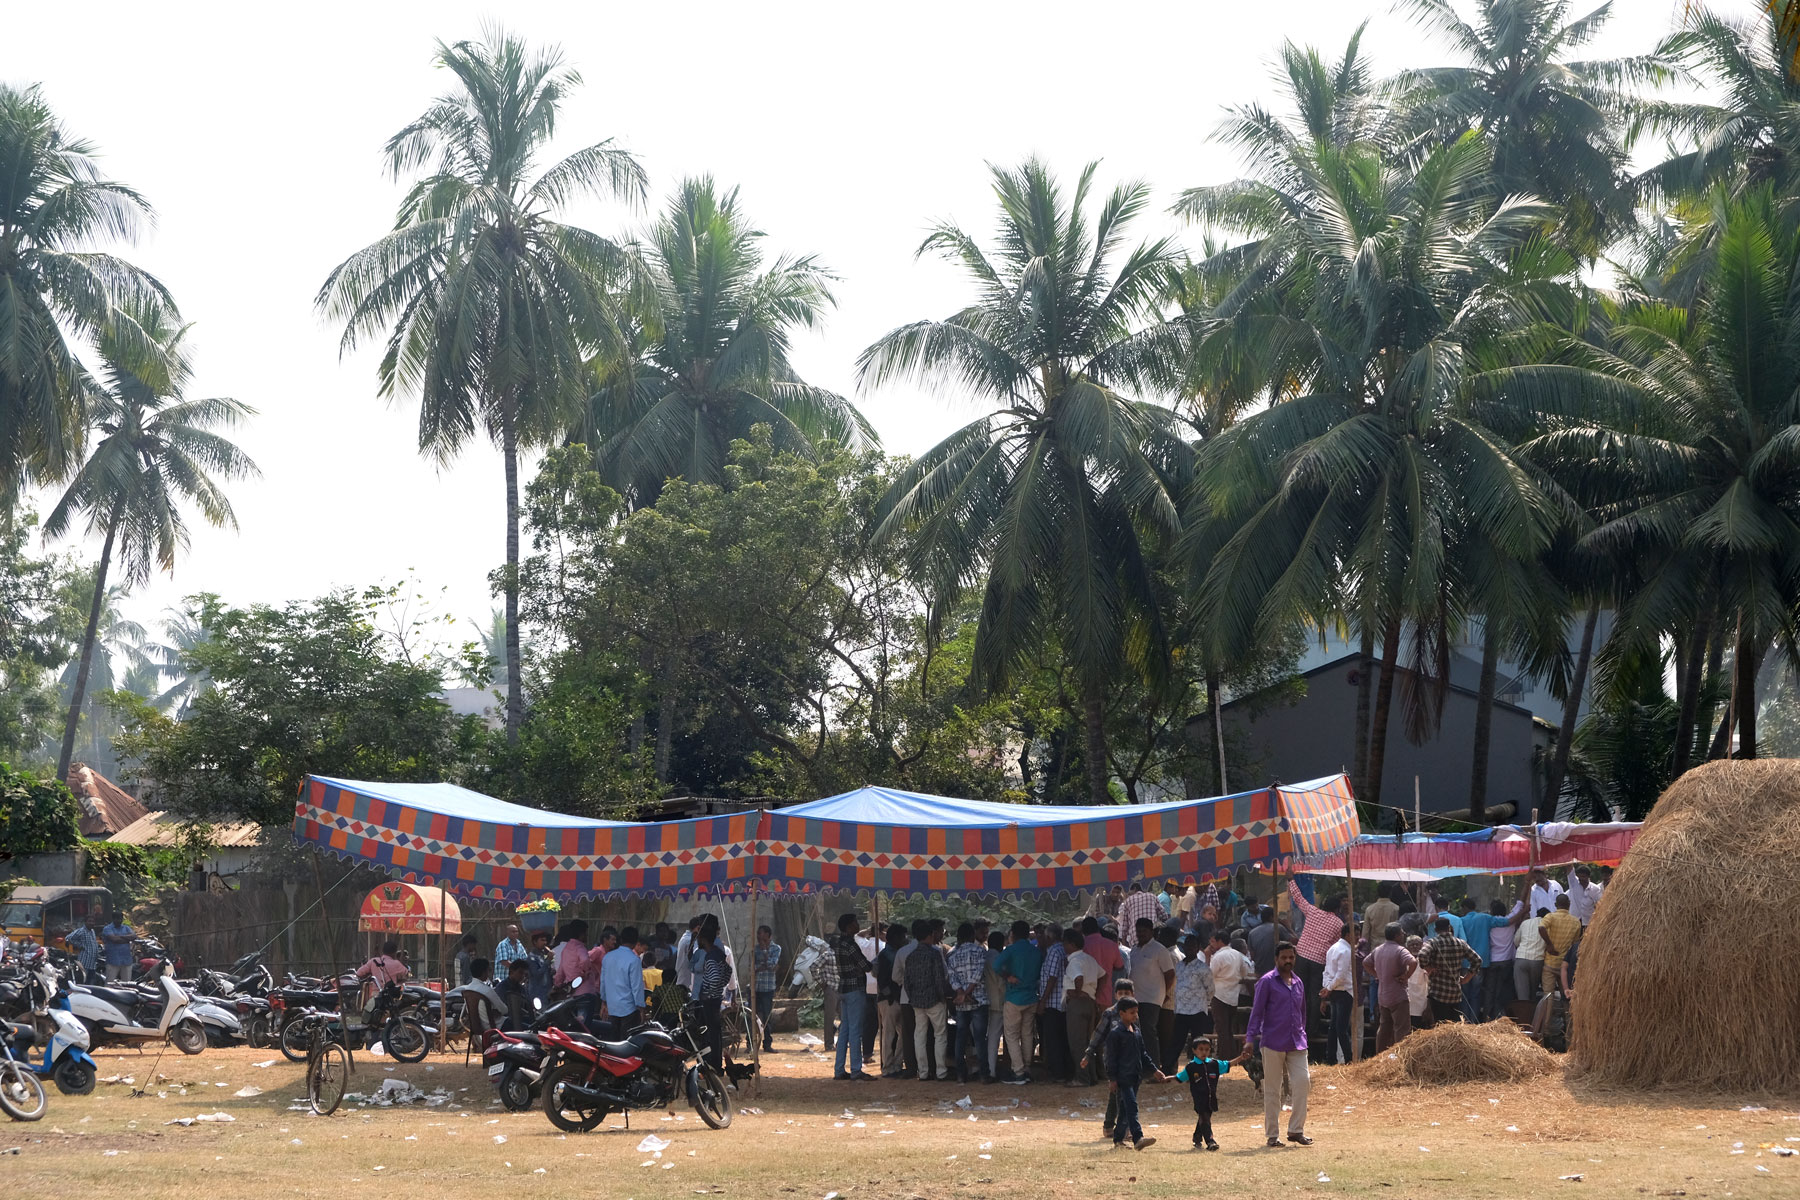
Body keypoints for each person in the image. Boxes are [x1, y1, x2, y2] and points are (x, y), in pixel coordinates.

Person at [1245, 941, 1313, 1148]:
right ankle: (1272, 1135)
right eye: (1284, 958)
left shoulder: (1298, 982)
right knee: (1273, 1089)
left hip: (1297, 1041)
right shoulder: (1266, 982)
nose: (1288, 961)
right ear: (1277, 959)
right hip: (1273, 1041)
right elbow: (1256, 1012)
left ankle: (1296, 1130)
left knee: (1303, 1082)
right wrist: (1250, 1039)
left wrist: (1302, 1031)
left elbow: (1302, 1012)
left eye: (1291, 957)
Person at [1104, 997, 1170, 1150]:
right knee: (1131, 1106)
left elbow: (1143, 1054)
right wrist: (1112, 1079)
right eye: (1132, 1012)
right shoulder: (1116, 1034)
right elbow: (1110, 1059)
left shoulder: (1136, 1032)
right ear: (1122, 1013)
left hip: (1135, 1077)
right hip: (1123, 1078)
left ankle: (1118, 1140)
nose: (1136, 1015)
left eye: (1137, 1012)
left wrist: (1155, 1070)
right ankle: (1138, 1138)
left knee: (1125, 1109)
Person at [1082, 978, 1138, 1137]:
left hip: (1129, 1060)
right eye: (1120, 993)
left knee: (1118, 1094)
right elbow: (1098, 1035)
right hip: (1114, 1060)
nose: (1123, 996)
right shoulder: (1110, 1013)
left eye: (1126, 993)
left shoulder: (1134, 1014)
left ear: (1133, 994)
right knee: (1122, 1094)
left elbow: (1138, 1037)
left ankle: (1108, 1127)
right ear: (1115, 995)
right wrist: (1089, 1053)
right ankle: (1124, 1130)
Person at [994, 920, 1044, 1085]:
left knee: (1012, 1035)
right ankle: (1027, 1068)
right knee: (1027, 1034)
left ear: (1012, 934)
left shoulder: (1011, 950)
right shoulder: (1036, 951)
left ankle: (1018, 1072)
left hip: (1014, 998)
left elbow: (996, 965)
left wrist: (1008, 976)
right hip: (1031, 997)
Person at [827, 913, 874, 1081]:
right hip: (855, 989)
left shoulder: (838, 943)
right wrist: (873, 964)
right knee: (855, 1030)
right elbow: (865, 966)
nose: (857, 925)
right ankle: (856, 1069)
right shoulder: (850, 945)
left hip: (843, 988)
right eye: (855, 923)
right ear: (848, 926)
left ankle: (839, 1069)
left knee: (845, 1029)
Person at [1124, 916, 1175, 1073]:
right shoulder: (1134, 949)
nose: (1141, 934)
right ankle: (1141, 1066)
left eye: (1144, 931)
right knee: (1137, 1033)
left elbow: (1170, 974)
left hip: (1152, 998)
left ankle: (1153, 1069)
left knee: (1148, 1032)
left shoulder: (1159, 950)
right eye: (1138, 931)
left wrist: (1164, 993)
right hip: (1135, 999)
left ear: (1151, 931)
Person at [905, 921, 953, 1082]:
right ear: (931, 935)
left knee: (919, 1036)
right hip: (934, 1000)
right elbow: (940, 978)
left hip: (917, 1001)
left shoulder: (911, 956)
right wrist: (942, 997)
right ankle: (941, 1071)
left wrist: (912, 997)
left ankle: (923, 1072)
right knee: (940, 1035)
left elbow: (907, 981)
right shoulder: (935, 953)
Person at [944, 922, 989, 1084]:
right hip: (979, 1000)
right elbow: (978, 975)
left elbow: (952, 977)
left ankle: (961, 1075)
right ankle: (984, 1075)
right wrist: (968, 993)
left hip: (961, 1002)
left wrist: (961, 994)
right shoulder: (980, 951)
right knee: (979, 1038)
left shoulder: (952, 954)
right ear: (972, 935)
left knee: (960, 1037)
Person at [1178, 1034, 1239, 1151]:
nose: (1204, 1052)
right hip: (1199, 1098)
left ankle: (1197, 1137)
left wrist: (1241, 1058)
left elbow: (1228, 1064)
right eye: (1200, 1049)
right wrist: (1165, 1078)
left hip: (1211, 1098)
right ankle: (1210, 1142)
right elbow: (1179, 1077)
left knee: (1204, 1118)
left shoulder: (1214, 1064)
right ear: (1194, 1050)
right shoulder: (1191, 1067)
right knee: (1205, 1118)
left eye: (1206, 1049)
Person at [1418, 917, 1480, 1026]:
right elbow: (1477, 960)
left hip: (1438, 993)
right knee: (1453, 1027)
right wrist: (1467, 978)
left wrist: (1428, 968)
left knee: (1440, 1026)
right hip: (1455, 994)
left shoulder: (1432, 943)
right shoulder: (1460, 943)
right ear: (1449, 928)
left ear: (1436, 930)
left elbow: (1422, 955)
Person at [1061, 928, 1102, 1086]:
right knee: (1088, 1042)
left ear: (1071, 944)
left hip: (1077, 1004)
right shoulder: (1090, 959)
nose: (1064, 946)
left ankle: (1082, 1078)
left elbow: (1078, 977)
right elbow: (1102, 974)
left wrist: (1078, 993)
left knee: (1077, 1043)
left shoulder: (1074, 961)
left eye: (1065, 943)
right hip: (1090, 1002)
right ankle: (1091, 1076)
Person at [689, 917, 730, 1071]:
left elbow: (713, 976)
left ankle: (710, 1063)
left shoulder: (709, 957)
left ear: (703, 939)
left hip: (709, 999)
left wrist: (710, 992)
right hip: (715, 997)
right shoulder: (717, 953)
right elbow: (727, 971)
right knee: (714, 1031)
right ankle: (715, 1063)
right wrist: (720, 988)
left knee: (708, 1032)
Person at [1170, 934, 1214, 1073]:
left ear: (1197, 948)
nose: (1189, 949)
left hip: (1197, 1010)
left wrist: (1203, 1003)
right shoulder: (1179, 966)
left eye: (1192, 946)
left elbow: (1210, 989)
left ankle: (1198, 1070)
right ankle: (1167, 1069)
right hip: (1181, 1009)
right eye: (1187, 946)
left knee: (1198, 1042)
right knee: (1177, 1041)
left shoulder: (1203, 969)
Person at [1206, 932, 1252, 1061]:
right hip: (1233, 995)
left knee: (1222, 1029)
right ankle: (1231, 1055)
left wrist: (1207, 957)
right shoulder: (1238, 955)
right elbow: (1244, 973)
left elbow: (1210, 975)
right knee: (1229, 1028)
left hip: (1219, 995)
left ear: (1219, 941)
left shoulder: (1218, 956)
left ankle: (1224, 1057)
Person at [1370, 923, 1416, 1051]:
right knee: (1402, 1029)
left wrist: (1378, 975)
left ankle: (1379, 1057)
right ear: (1396, 936)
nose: (1403, 935)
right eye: (1402, 933)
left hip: (1383, 996)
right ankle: (1401, 1058)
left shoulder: (1378, 949)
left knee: (1384, 1027)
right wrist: (1406, 976)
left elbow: (1366, 963)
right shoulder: (1400, 950)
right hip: (1398, 996)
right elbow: (1413, 962)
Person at [892, 919, 927, 1079]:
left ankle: (911, 1067)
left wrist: (904, 983)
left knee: (908, 1033)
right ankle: (927, 1067)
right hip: (929, 999)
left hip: (907, 998)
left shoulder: (902, 951)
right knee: (928, 1033)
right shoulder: (933, 950)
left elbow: (895, 976)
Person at [1457, 899, 1503, 1022]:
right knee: (1476, 993)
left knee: (1465, 994)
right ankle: (1474, 1020)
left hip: (1465, 962)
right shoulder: (1485, 918)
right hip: (1480, 963)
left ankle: (1465, 1021)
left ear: (1464, 908)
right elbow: (1506, 921)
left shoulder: (1461, 921)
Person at [1036, 923, 1070, 1081]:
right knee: (1061, 1037)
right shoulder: (1063, 949)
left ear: (1049, 937)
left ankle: (1058, 1073)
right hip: (1061, 1002)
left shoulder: (1054, 952)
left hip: (1053, 1002)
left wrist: (1043, 1001)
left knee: (1053, 1039)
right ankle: (1064, 1070)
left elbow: (1052, 977)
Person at [1320, 921, 1356, 1064]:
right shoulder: (1346, 950)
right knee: (1341, 1028)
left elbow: (1327, 972)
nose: (1358, 937)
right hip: (1344, 990)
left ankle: (1331, 1058)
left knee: (1334, 1027)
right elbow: (1340, 975)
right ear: (1348, 935)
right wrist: (1329, 988)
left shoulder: (1333, 948)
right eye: (1356, 934)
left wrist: (1328, 987)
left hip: (1335, 990)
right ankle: (1348, 1059)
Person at [874, 923, 906, 1076]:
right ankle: (888, 1067)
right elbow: (882, 980)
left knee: (901, 1033)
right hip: (890, 1000)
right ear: (894, 938)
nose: (904, 939)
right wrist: (890, 997)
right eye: (902, 936)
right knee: (890, 1034)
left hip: (895, 998)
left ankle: (896, 1064)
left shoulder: (892, 954)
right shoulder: (886, 956)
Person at [602, 925, 647, 1034]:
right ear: (636, 941)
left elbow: (603, 982)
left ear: (620, 939)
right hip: (629, 1008)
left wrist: (603, 1003)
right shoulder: (634, 960)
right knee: (627, 1043)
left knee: (612, 1043)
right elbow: (637, 986)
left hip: (612, 1007)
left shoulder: (607, 957)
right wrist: (641, 1008)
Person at [1479, 899, 1516, 1022]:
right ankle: (1499, 1018)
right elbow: (1520, 907)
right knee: (1501, 991)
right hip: (1506, 961)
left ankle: (1486, 1018)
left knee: (1489, 991)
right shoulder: (1511, 922)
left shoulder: (1490, 924)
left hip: (1492, 961)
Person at [1538, 894, 1582, 995]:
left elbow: (1541, 928)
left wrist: (1549, 945)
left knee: (1548, 997)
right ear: (1569, 904)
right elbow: (1574, 945)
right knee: (1566, 995)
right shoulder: (1576, 922)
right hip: (1565, 966)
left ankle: (1548, 1011)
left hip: (1550, 964)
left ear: (1555, 904)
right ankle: (1566, 1011)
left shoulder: (1550, 917)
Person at [1081, 916, 1124, 1008]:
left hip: (1085, 996)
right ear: (1098, 929)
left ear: (1083, 931)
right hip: (1105, 997)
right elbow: (1119, 966)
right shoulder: (1112, 945)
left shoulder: (1082, 945)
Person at [1512, 895, 1548, 1006]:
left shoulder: (1525, 923)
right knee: (1533, 993)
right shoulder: (1548, 925)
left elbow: (1516, 941)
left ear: (1536, 914)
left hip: (1521, 959)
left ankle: (1523, 1018)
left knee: (1522, 995)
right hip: (1537, 961)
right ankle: (1532, 1018)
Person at [753, 924, 782, 1055]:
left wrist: (765, 951)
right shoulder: (754, 949)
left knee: (767, 1016)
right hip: (756, 986)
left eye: (761, 934)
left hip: (768, 987)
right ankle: (751, 1043)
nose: (759, 937)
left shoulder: (776, 948)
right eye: (758, 934)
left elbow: (772, 965)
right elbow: (753, 967)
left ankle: (767, 1043)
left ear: (768, 936)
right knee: (752, 1016)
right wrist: (764, 965)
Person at [460, 957, 505, 1032]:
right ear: (484, 972)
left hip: (476, 1028)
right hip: (496, 1027)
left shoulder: (467, 990)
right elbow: (504, 1010)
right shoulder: (487, 991)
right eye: (488, 970)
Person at [1117, 882, 1162, 949]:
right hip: (1152, 938)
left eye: (1128, 891)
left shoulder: (1128, 901)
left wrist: (1124, 945)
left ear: (1134, 889)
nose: (1126, 894)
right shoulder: (1152, 896)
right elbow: (1164, 915)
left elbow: (1124, 927)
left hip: (1135, 940)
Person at [1404, 936, 1432, 1028]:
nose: (1415, 946)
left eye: (1417, 944)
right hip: (1406, 1007)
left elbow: (1431, 987)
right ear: (1407, 947)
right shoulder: (1403, 961)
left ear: (1422, 946)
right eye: (1412, 944)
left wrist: (1428, 1008)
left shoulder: (1426, 963)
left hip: (1421, 1008)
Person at [496, 959, 532, 1029]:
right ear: (512, 971)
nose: (522, 976)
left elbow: (528, 1006)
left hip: (521, 1018)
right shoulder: (502, 988)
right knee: (530, 1028)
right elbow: (504, 1011)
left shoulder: (522, 988)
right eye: (520, 973)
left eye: (525, 974)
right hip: (507, 1021)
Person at [100, 910, 135, 981]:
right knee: (110, 983)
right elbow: (114, 939)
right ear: (113, 919)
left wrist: (120, 937)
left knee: (127, 984)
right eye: (117, 918)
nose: (119, 920)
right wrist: (127, 939)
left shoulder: (126, 927)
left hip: (126, 960)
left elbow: (134, 936)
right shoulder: (107, 928)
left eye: (120, 919)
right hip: (113, 960)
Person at [525, 930, 554, 1007]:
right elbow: (537, 974)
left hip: (547, 993)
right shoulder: (531, 958)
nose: (545, 943)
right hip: (537, 994)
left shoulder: (542, 955)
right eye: (542, 940)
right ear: (535, 942)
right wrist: (548, 960)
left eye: (545, 940)